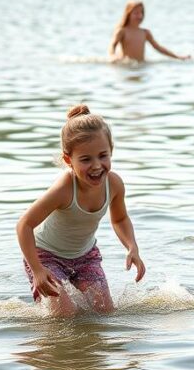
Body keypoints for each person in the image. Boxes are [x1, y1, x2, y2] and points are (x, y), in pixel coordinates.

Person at [16, 105, 146, 316]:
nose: (97, 165)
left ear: (111, 151)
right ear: (69, 160)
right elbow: (24, 224)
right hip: (46, 256)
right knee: (64, 315)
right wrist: (38, 270)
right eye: (86, 159)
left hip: (86, 257)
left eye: (103, 156)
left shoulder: (114, 184)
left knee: (105, 312)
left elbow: (120, 218)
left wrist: (132, 247)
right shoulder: (64, 189)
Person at [109, 0, 191, 62]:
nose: (139, 16)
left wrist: (178, 57)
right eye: (136, 13)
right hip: (127, 67)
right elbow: (112, 45)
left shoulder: (145, 33)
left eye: (141, 13)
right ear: (128, 14)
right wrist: (112, 56)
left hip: (141, 66)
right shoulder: (122, 31)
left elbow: (159, 48)